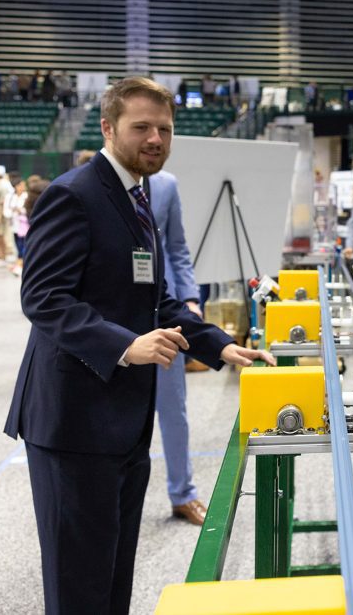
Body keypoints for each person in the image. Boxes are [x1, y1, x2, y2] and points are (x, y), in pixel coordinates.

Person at [4, 76, 275, 615]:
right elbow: (42, 297)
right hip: (74, 424)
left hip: (123, 422)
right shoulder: (74, 194)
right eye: (141, 128)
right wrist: (126, 345)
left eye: (164, 130)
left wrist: (219, 345)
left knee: (112, 575)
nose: (155, 138)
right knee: (80, 583)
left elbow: (153, 300)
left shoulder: (138, 194)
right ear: (108, 128)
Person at [149, 169, 208, 524]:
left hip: (166, 308)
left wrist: (190, 298)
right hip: (114, 316)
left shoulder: (166, 185)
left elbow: (177, 247)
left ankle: (182, 494)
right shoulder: (92, 186)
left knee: (173, 409)